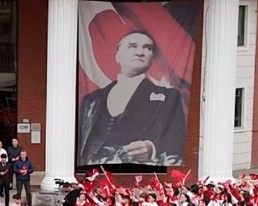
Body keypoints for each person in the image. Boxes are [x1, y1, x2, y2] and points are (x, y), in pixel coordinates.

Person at [77, 30, 187, 166]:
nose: (140, 52)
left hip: (138, 171)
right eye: (132, 46)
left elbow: (176, 138)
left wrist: (152, 148)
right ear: (117, 56)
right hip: (93, 171)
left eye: (147, 48)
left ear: (152, 57)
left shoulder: (169, 97)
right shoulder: (92, 100)